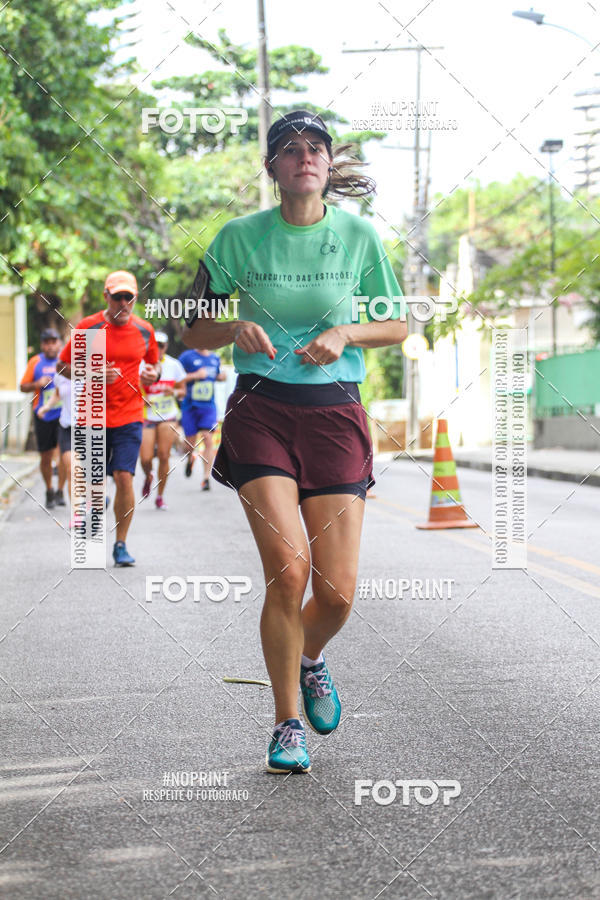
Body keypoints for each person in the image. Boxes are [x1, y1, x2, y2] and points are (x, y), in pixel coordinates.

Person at [183, 110, 407, 773]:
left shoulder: (360, 237)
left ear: (328, 165)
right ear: (273, 166)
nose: (304, 157)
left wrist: (346, 334)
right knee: (288, 571)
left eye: (316, 148)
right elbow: (191, 328)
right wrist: (231, 332)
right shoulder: (238, 237)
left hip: (335, 410)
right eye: (290, 149)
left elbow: (394, 324)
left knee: (336, 592)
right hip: (261, 409)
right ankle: (286, 724)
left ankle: (310, 658)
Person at [58, 271, 160, 565]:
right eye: (118, 297)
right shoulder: (89, 327)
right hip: (93, 416)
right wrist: (94, 374)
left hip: (129, 416)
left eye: (129, 297)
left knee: (124, 477)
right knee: (95, 482)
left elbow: (154, 367)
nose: (123, 303)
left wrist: (155, 374)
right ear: (106, 296)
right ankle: (95, 501)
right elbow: (63, 367)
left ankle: (120, 544)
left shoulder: (144, 330)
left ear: (135, 299)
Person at [20, 328, 67, 509]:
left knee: (64, 454)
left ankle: (61, 490)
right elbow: (22, 386)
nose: (50, 345)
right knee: (46, 457)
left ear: (59, 343)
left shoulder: (65, 361)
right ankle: (49, 489)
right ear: (42, 344)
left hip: (63, 415)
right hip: (42, 415)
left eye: (53, 341)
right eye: (46, 342)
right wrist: (36, 384)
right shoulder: (35, 362)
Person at [140, 331, 186, 510]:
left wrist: (173, 392)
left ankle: (160, 496)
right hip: (147, 416)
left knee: (164, 456)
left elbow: (182, 391)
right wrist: (141, 398)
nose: (158, 349)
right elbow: (131, 388)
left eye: (161, 345)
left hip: (167, 416)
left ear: (166, 347)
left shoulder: (174, 365)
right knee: (145, 458)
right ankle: (148, 475)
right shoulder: (141, 365)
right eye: (155, 345)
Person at [178, 346, 226, 491]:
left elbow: (217, 375)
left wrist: (222, 376)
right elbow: (177, 379)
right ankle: (190, 457)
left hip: (208, 407)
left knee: (208, 438)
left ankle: (206, 478)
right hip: (190, 406)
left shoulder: (214, 358)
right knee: (190, 444)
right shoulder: (187, 356)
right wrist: (194, 375)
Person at [37, 369, 74, 522]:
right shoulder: (62, 372)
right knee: (72, 468)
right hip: (68, 427)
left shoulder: (96, 366)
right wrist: (46, 407)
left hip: (93, 428)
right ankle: (77, 513)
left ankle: (95, 500)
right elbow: (58, 394)